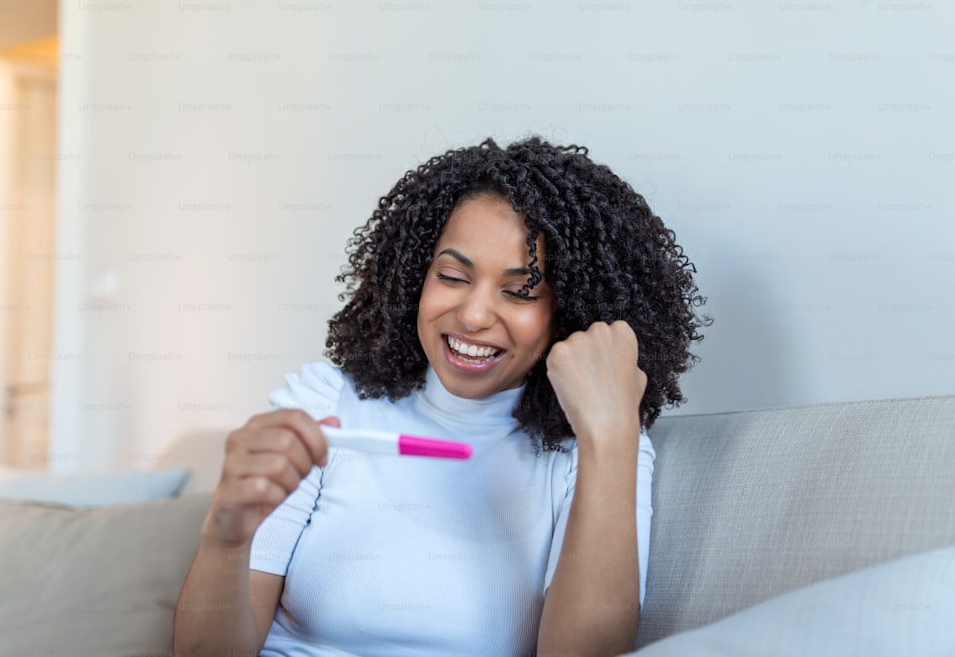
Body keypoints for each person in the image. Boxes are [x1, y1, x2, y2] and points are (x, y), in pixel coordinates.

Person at [174, 137, 709, 656]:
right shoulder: (325, 402)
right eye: (452, 276)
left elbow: (587, 653)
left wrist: (610, 431)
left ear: (569, 313)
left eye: (521, 291)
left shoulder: (601, 443)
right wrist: (226, 535)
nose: (474, 316)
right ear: (414, 278)